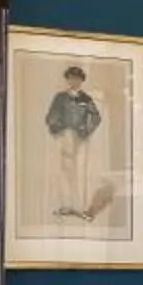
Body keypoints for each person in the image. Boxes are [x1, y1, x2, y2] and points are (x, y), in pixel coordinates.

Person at [43, 65, 101, 219]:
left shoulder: (86, 98)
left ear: (82, 80)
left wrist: (86, 129)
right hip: (64, 137)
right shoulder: (60, 97)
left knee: (81, 171)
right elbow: (50, 117)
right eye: (71, 78)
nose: (74, 81)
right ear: (67, 79)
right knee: (64, 171)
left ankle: (82, 208)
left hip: (81, 138)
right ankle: (66, 206)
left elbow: (96, 117)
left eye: (78, 78)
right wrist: (59, 130)